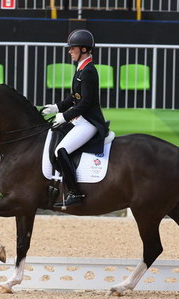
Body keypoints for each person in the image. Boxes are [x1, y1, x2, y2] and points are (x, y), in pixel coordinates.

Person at [42, 29, 108, 207]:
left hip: (89, 122)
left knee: (61, 151)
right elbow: (74, 97)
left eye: (73, 48)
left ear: (84, 50)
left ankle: (74, 192)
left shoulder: (89, 71)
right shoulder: (80, 69)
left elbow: (86, 102)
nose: (70, 51)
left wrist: (64, 116)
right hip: (80, 120)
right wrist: (57, 107)